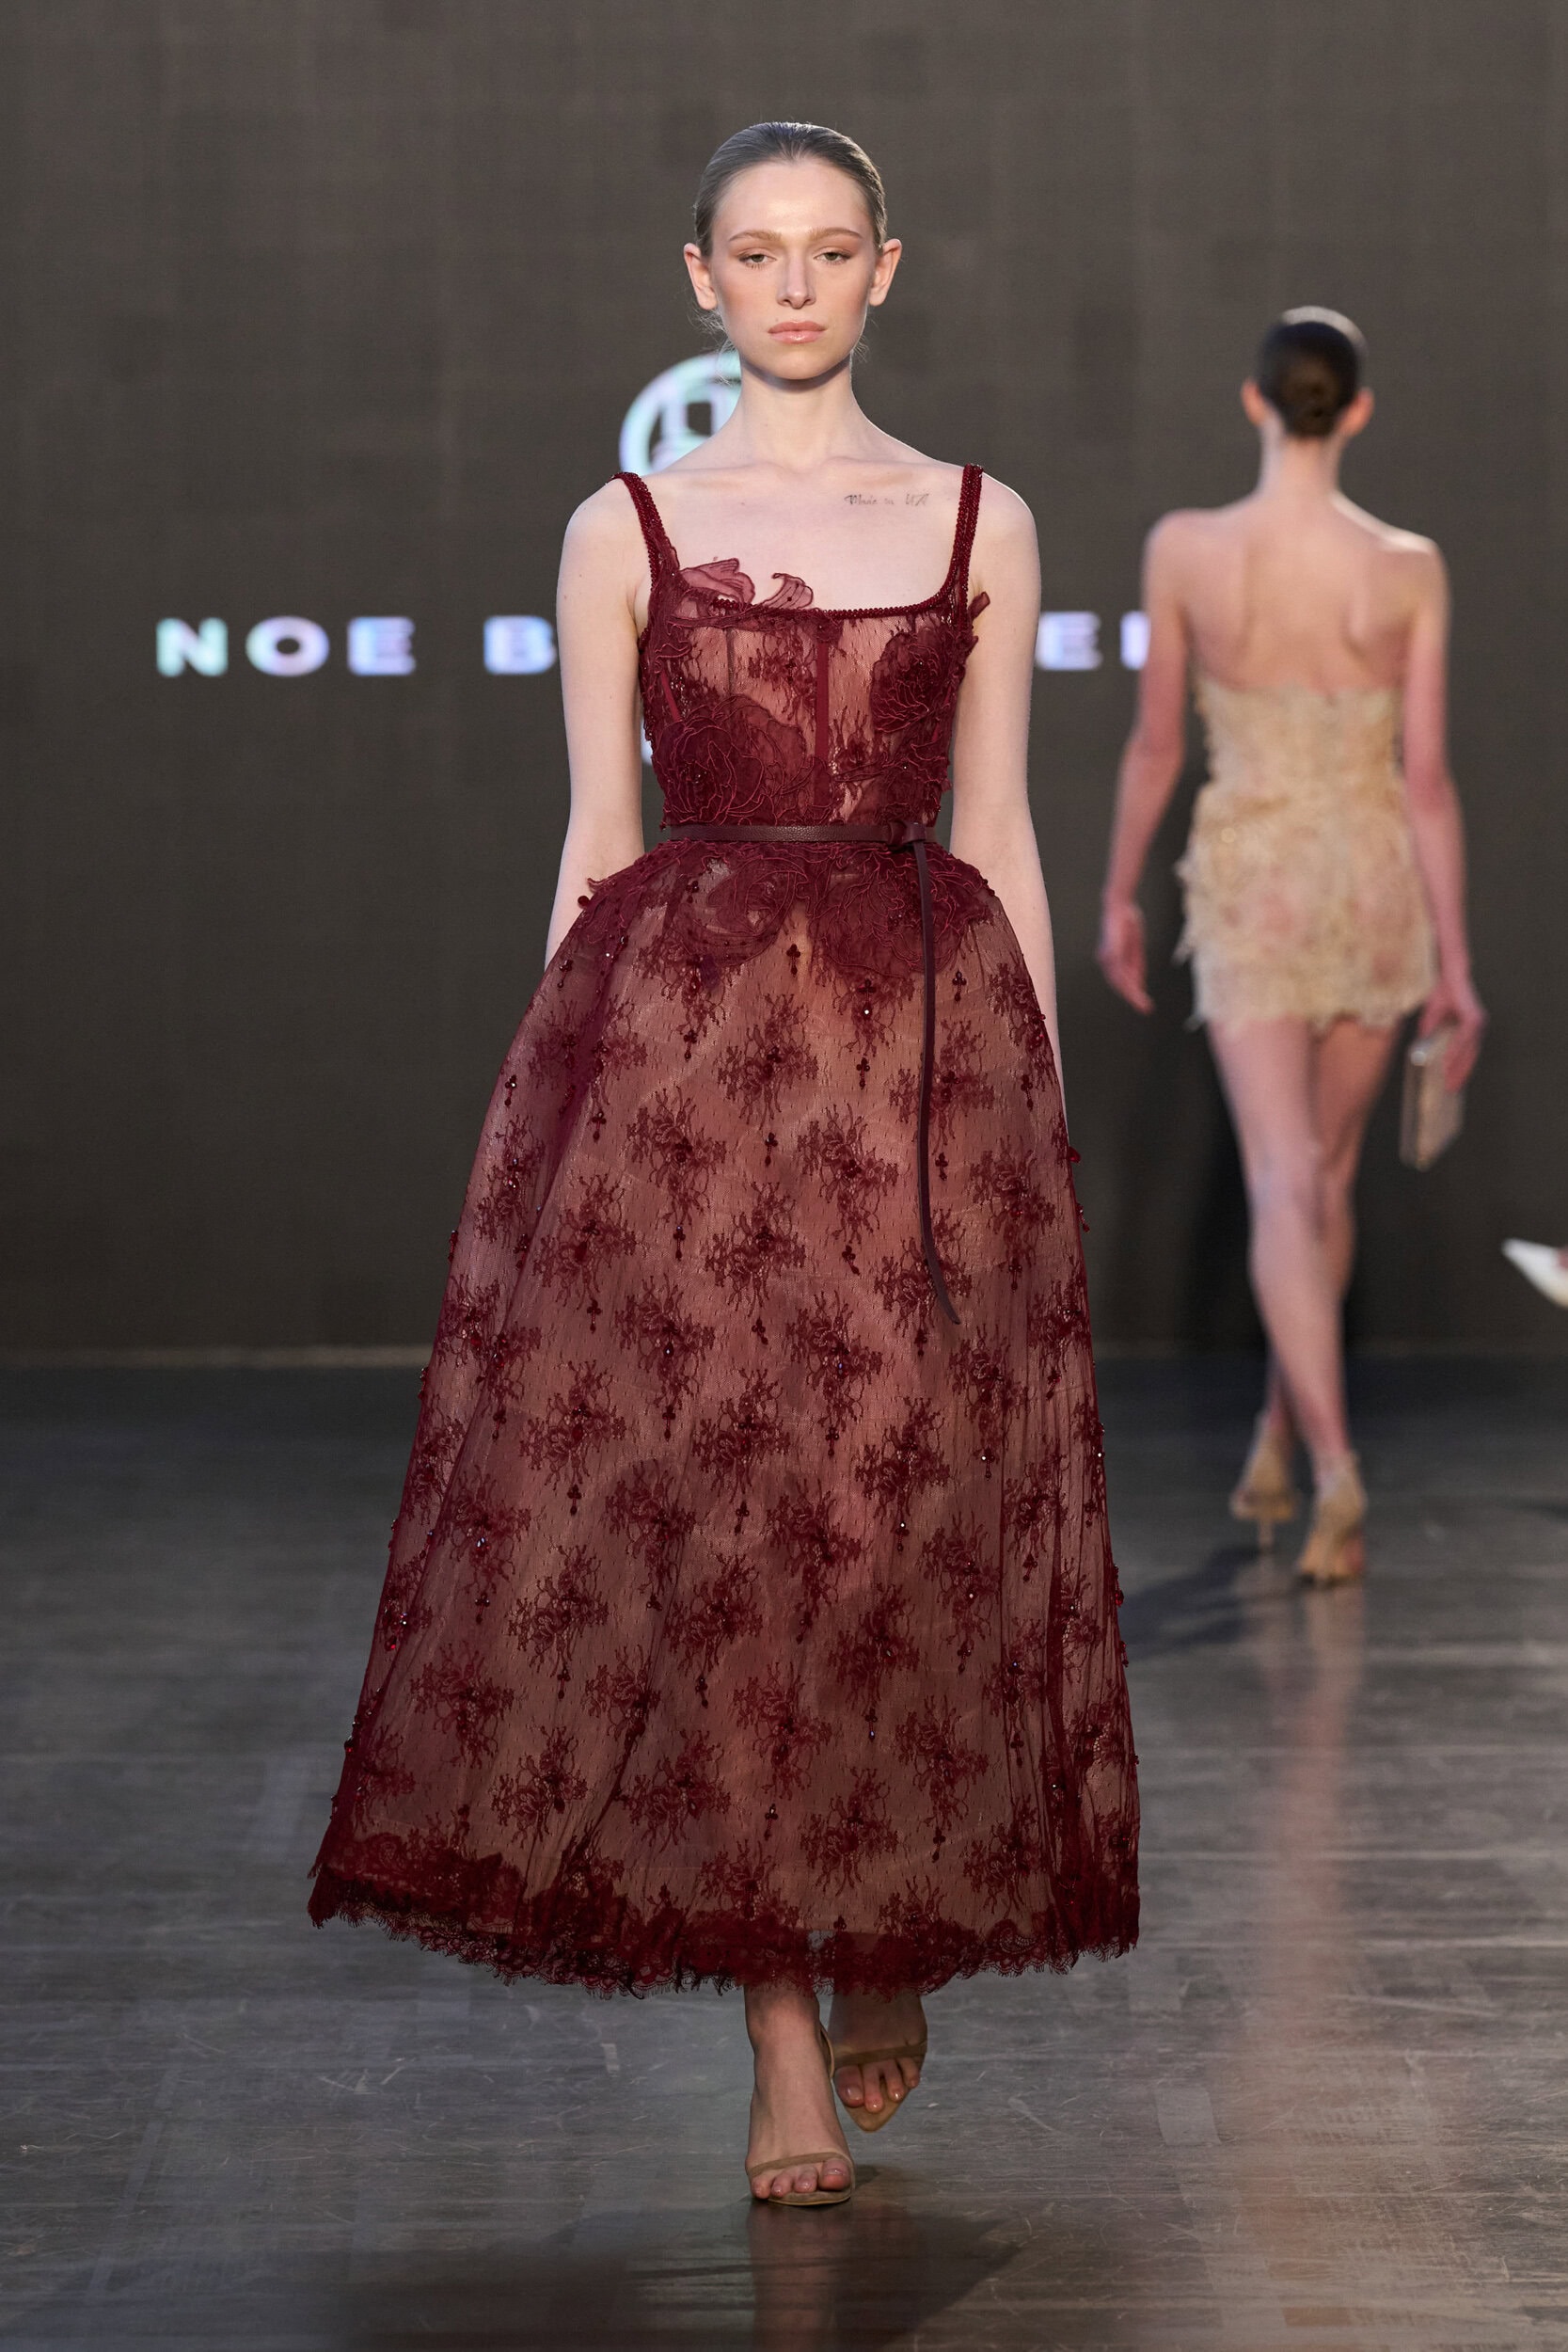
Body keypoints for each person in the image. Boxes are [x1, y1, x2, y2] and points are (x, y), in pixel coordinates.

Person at [309, 121, 1138, 2207]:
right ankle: (779, 2020)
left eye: (828, 250)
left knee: (896, 1507)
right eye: (757, 253)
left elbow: (1002, 828)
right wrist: (554, 1128)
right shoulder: (625, 527)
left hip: (913, 1058)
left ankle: (886, 1914)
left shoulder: (979, 517)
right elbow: (598, 841)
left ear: (885, 271)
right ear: (700, 277)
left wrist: (1027, 1101)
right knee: (728, 1527)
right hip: (684, 1074)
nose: (792, 284)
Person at [1098, 310, 1484, 1585]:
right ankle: (1281, 1438)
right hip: (1372, 881)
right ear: (1356, 410)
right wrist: (1457, 964)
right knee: (1325, 1180)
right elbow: (1427, 782)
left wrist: (1120, 892)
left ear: (1256, 403)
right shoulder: (1406, 566)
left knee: (1283, 1182)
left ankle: (1331, 1464)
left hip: (1258, 879)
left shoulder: (1190, 549)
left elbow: (1158, 743)